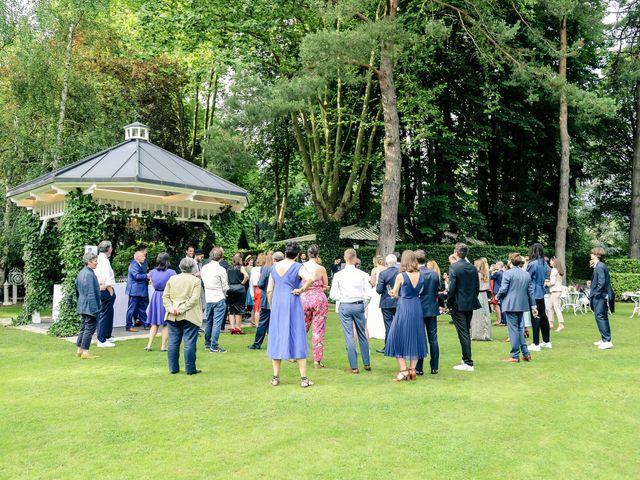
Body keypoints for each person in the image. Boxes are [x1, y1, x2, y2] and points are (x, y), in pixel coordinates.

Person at [266, 242, 315, 387]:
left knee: (277, 336)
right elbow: (310, 278)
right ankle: (304, 379)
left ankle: (275, 377)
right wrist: (301, 290)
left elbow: (269, 290)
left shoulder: (274, 267)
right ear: (298, 254)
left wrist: (271, 305)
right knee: (298, 335)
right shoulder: (298, 266)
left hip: (278, 303)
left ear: (285, 253)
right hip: (292, 302)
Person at [384, 250, 427, 381]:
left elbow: (394, 292)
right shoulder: (421, 275)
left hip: (404, 307)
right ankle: (413, 370)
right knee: (416, 336)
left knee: (396, 337)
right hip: (416, 306)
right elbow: (419, 291)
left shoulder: (401, 276)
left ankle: (403, 371)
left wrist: (392, 293)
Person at [329, 248, 372, 374]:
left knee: (349, 335)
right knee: (362, 334)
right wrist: (363, 304)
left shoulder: (338, 275)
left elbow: (333, 295)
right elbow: (368, 294)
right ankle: (366, 363)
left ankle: (354, 366)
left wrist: (343, 297)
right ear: (355, 258)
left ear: (344, 258)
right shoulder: (363, 274)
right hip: (358, 305)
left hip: (345, 305)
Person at [163, 257, 203, 375]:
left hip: (173, 315)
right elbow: (194, 299)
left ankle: (173, 368)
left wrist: (171, 308)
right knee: (189, 343)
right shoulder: (196, 281)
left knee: (173, 342)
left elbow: (165, 296)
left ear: (180, 267)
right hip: (189, 315)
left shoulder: (172, 279)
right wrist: (180, 309)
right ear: (193, 267)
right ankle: (190, 369)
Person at [497, 253, 538, 363]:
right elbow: (530, 292)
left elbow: (503, 289)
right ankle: (526, 353)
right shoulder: (526, 274)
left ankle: (515, 355)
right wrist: (534, 306)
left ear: (510, 261)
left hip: (510, 304)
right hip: (522, 305)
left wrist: (497, 296)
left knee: (514, 330)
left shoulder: (508, 273)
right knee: (520, 329)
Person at [447, 243, 481, 372]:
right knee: (466, 331)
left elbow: (452, 288)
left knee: (464, 333)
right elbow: (476, 287)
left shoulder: (454, 267)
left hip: (458, 304)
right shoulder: (472, 268)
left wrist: (449, 304)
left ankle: (468, 362)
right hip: (469, 303)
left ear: (456, 252)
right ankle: (465, 358)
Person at [300, 245, 329, 368]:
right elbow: (326, 284)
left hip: (304, 298)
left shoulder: (302, 267)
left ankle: (294, 355)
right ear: (317, 254)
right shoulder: (321, 268)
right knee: (318, 329)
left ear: (308, 254)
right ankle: (317, 360)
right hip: (318, 299)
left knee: (301, 328)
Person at [248, 251, 283, 350]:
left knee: (263, 323)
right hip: (279, 298)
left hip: (267, 299)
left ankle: (257, 344)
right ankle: (277, 344)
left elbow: (261, 284)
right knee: (277, 323)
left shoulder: (266, 269)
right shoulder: (284, 268)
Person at [415, 250, 440, 375]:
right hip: (431, 308)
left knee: (420, 338)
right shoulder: (434, 274)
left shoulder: (414, 274)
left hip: (418, 309)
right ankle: (434, 366)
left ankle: (419, 367)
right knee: (433, 339)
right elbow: (437, 290)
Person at [145, 253, 176, 352]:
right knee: (166, 323)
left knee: (154, 323)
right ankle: (163, 346)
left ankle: (149, 345)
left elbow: (153, 286)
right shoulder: (172, 272)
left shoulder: (152, 272)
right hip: (166, 297)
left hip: (156, 296)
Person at [201, 247, 229, 353]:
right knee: (217, 323)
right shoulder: (221, 270)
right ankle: (214, 345)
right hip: (218, 297)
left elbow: (203, 280)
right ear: (221, 257)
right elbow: (225, 286)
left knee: (209, 322)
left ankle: (208, 343)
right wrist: (224, 295)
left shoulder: (204, 268)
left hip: (209, 298)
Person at [75, 252, 102, 359]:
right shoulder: (89, 274)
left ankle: (79, 350)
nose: (97, 263)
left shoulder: (81, 273)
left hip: (82, 305)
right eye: (95, 261)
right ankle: (85, 352)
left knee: (83, 328)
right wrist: (95, 309)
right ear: (89, 262)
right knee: (89, 329)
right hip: (89, 306)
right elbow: (91, 293)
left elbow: (77, 290)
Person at [526, 243, 552, 351]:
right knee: (543, 316)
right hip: (541, 291)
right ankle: (546, 341)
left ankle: (535, 343)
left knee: (535, 316)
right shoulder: (544, 263)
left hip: (533, 291)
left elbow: (527, 277)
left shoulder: (533, 264)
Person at [589, 247, 614, 350]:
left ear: (596, 255)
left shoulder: (599, 266)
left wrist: (596, 294)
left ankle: (607, 340)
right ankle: (604, 338)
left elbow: (602, 282)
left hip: (600, 296)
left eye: (592, 254)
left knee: (600, 317)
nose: (590, 255)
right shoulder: (600, 266)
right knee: (602, 317)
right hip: (601, 295)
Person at [375, 253, 400, 353]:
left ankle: (389, 346)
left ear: (386, 263)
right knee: (399, 324)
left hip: (387, 302)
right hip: (399, 301)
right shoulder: (401, 273)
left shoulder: (383, 273)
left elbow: (379, 290)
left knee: (388, 325)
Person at [95, 240, 117, 348]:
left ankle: (106, 336)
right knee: (104, 314)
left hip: (105, 289)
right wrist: (110, 290)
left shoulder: (101, 259)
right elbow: (105, 277)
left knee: (108, 313)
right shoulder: (103, 260)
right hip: (105, 290)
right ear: (109, 249)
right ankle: (101, 339)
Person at [125, 245, 150, 332]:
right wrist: (147, 276)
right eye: (143, 256)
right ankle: (128, 325)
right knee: (131, 309)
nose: (144, 258)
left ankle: (146, 324)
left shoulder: (138, 264)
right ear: (138, 257)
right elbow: (136, 276)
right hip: (135, 291)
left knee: (141, 308)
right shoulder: (133, 265)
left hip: (139, 290)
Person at [227, 252, 249, 334]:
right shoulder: (241, 267)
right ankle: (238, 327)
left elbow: (226, 279)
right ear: (240, 259)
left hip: (231, 288)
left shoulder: (229, 268)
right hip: (239, 288)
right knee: (239, 308)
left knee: (231, 308)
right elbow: (246, 276)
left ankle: (232, 327)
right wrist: (242, 283)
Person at [471, 257, 492, 341]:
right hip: (484, 295)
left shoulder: (477, 274)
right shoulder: (486, 274)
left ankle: (477, 334)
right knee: (484, 314)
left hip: (477, 294)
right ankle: (485, 334)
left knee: (477, 315)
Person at [366, 255, 386, 340]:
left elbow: (373, 283)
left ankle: (373, 330)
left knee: (373, 310)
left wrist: (369, 281)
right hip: (384, 292)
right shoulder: (386, 268)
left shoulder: (375, 270)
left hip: (376, 292)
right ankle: (383, 330)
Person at [546, 257, 566, 332]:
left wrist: (546, 284)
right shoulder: (558, 270)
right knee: (549, 307)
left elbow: (553, 282)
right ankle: (551, 323)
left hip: (555, 291)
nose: (550, 262)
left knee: (556, 308)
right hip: (556, 290)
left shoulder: (554, 270)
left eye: (551, 261)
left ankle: (561, 324)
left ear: (554, 262)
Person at [249, 254, 264, 327]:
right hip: (263, 289)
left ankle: (257, 325)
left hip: (256, 289)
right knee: (264, 308)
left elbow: (251, 282)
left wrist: (252, 293)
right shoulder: (265, 268)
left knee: (257, 309)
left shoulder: (253, 269)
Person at [490, 261, 506, 326]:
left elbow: (490, 277)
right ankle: (503, 320)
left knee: (498, 306)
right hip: (502, 290)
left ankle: (502, 321)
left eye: (496, 264)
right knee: (501, 305)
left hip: (497, 291)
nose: (495, 266)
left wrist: (491, 271)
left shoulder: (498, 273)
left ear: (498, 265)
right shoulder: (503, 272)